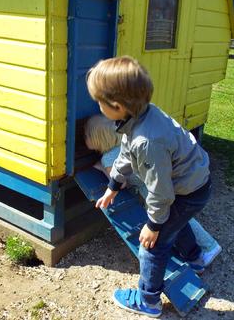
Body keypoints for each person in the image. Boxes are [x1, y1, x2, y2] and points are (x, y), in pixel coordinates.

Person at [86, 56, 217, 318]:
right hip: (195, 183)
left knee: (153, 245)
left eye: (100, 102)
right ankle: (195, 258)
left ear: (116, 105)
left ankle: (148, 300)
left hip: (184, 192)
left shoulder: (147, 142)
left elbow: (160, 192)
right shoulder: (140, 116)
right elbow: (125, 153)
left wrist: (153, 225)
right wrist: (114, 185)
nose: (98, 107)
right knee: (176, 223)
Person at [84, 113, 222, 259]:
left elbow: (121, 183)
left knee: (174, 224)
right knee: (182, 220)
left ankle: (205, 249)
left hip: (152, 195)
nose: (84, 138)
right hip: (168, 186)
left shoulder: (107, 159)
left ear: (96, 139)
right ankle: (209, 244)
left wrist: (101, 167)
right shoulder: (127, 145)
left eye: (86, 135)